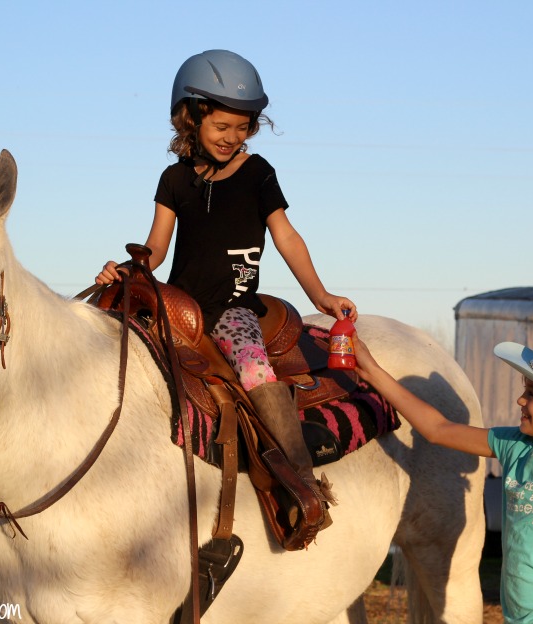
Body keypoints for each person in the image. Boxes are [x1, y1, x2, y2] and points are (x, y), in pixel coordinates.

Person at [96, 49, 356, 531]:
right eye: (221, 126)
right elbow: (155, 245)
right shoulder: (173, 180)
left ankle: (302, 482)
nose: (231, 137)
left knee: (256, 373)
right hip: (183, 304)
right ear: (190, 119)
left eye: (243, 127)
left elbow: (286, 236)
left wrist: (319, 295)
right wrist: (128, 270)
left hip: (232, 309)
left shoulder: (258, 175)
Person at [352, 326, 533, 624]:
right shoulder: (515, 446)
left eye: (532, 394)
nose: (520, 401)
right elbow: (438, 430)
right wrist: (372, 373)